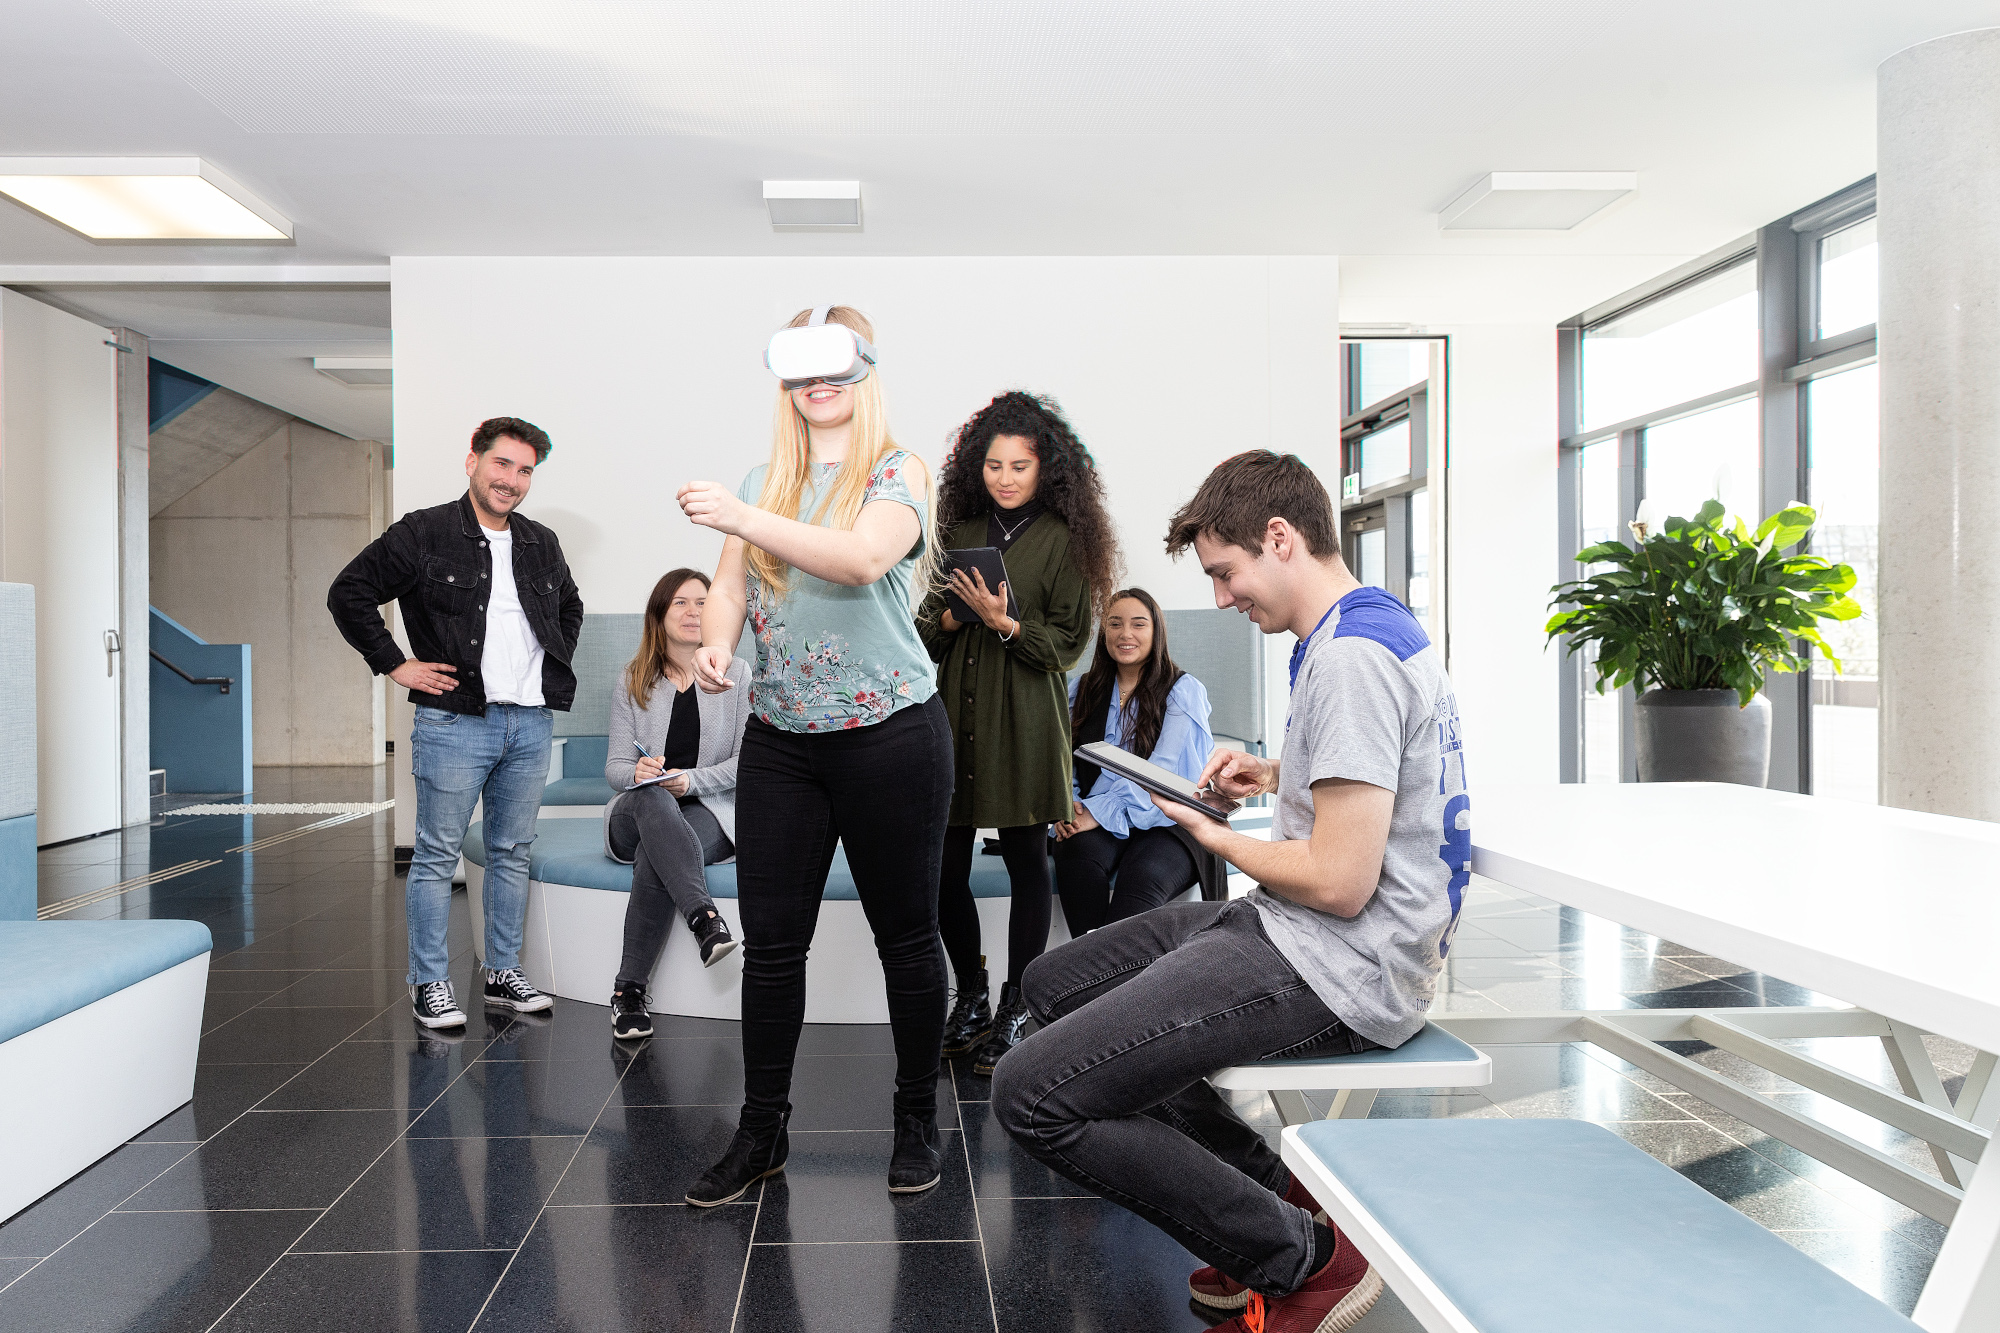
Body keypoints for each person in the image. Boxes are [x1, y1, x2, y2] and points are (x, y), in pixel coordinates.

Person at [993, 450, 1471, 1333]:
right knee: (1053, 984)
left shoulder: (1351, 659)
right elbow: (1380, 764)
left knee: (1030, 1091)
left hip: (1341, 965)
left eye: (1225, 572)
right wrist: (1276, 771)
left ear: (1280, 538)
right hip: (1303, 933)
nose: (1220, 598)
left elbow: (1339, 881)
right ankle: (1277, 1210)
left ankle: (1305, 1264)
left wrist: (1213, 835)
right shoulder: (1365, 623)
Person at [674, 304, 955, 1203]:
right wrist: (719, 644)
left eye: (834, 362)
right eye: (800, 366)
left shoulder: (899, 470)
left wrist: (744, 516)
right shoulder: (764, 480)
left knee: (906, 938)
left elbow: (862, 560)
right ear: (785, 380)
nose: (817, 381)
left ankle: (916, 1117)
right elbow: (728, 587)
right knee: (771, 949)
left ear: (865, 367)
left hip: (890, 734)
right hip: (782, 742)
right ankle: (761, 1130)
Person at [328, 417, 583, 1029]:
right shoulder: (424, 532)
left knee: (511, 852)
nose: (512, 480)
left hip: (530, 722)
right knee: (437, 855)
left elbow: (569, 606)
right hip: (455, 722)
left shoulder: (541, 541)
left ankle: (502, 973)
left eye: (525, 471)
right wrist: (396, 664)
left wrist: (548, 666)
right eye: (503, 464)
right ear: (473, 462)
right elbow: (349, 592)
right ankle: (429, 983)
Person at [920, 391, 1117, 1075]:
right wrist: (956, 617)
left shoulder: (1064, 539)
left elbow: (1067, 644)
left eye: (1020, 466)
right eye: (994, 465)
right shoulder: (959, 529)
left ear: (1045, 469)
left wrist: (1004, 622)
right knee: (944, 866)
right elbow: (922, 632)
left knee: (1029, 862)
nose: (1005, 478)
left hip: (1027, 719)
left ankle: (1016, 1004)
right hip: (954, 714)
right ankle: (971, 993)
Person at [603, 567, 753, 1040]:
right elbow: (615, 767)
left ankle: (628, 992)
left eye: (703, 603)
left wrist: (689, 782)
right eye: (681, 603)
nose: (693, 612)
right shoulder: (633, 679)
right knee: (652, 800)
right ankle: (704, 918)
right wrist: (637, 773)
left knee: (658, 852)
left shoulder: (738, 674)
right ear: (659, 614)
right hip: (636, 811)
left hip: (709, 812)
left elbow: (746, 763)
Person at [1052, 587, 1217, 934]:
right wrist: (1071, 806)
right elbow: (1063, 760)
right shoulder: (1082, 689)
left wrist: (1098, 812)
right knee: (1075, 857)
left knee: (1141, 880)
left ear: (1156, 632)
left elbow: (1164, 773)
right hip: (1098, 815)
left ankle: (1109, 967)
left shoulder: (1182, 690)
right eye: (1115, 624)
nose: (1125, 634)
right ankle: (1090, 965)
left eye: (1138, 624)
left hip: (1168, 819)